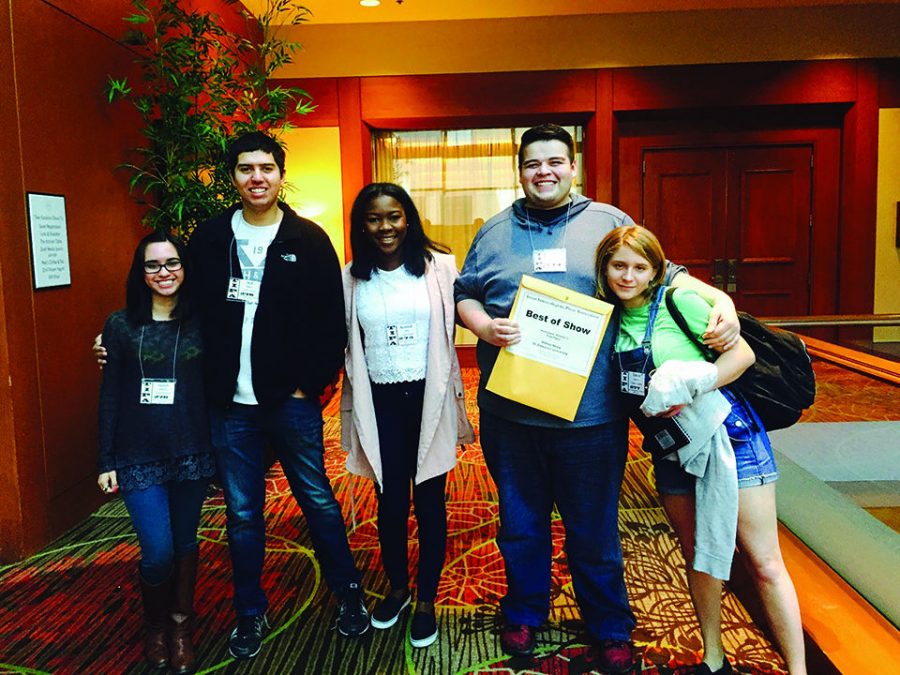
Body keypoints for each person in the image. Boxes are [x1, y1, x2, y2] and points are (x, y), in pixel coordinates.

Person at [454, 123, 740, 673]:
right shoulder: (493, 232)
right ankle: (524, 611)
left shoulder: (608, 223)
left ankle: (609, 625)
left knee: (593, 526)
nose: (545, 172)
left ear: (573, 166)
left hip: (592, 418)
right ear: (520, 170)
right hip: (510, 416)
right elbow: (465, 291)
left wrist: (720, 298)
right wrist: (483, 327)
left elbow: (667, 274)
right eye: (534, 163)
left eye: (556, 161)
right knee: (520, 522)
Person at [96, 132, 367, 660]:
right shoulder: (210, 237)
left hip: (289, 402)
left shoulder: (308, 239)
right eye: (246, 169)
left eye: (266, 167)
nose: (257, 178)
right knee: (243, 514)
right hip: (229, 406)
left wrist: (309, 383)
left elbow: (329, 322)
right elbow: (180, 304)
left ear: (280, 174)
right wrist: (120, 338)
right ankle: (249, 611)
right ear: (232, 176)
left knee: (317, 501)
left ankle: (348, 593)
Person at [595, 225, 807, 675]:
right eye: (619, 266)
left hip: (729, 439)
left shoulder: (679, 301)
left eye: (639, 267)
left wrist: (694, 381)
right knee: (699, 553)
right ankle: (713, 658)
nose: (628, 276)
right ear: (605, 269)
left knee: (764, 561)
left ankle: (798, 670)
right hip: (670, 449)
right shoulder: (607, 319)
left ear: (656, 271)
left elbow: (742, 356)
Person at [340, 183, 475, 648]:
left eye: (394, 216)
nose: (385, 227)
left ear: (409, 218)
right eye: (374, 219)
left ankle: (426, 600)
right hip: (379, 404)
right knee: (391, 502)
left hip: (429, 399)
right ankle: (399, 588)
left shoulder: (440, 268)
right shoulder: (351, 276)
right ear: (362, 225)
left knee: (430, 500)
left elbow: (476, 306)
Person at [97, 231, 214, 674]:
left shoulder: (204, 319)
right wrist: (105, 459)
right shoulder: (120, 325)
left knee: (185, 542)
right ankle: (154, 625)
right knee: (158, 550)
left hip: (191, 450)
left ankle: (180, 628)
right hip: (138, 453)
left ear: (185, 267)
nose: (163, 273)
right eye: (153, 265)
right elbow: (109, 395)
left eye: (172, 263)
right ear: (140, 272)